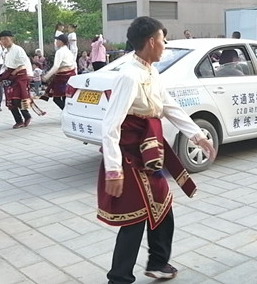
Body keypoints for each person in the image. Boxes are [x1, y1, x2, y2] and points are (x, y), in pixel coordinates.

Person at [99, 16, 216, 283]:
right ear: (152, 41)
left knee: (162, 203)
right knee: (135, 217)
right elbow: (110, 125)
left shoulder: (150, 71)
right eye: (163, 39)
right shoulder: (129, 75)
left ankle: (158, 263)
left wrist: (197, 136)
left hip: (148, 151)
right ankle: (118, 278)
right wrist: (113, 170)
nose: (165, 44)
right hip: (130, 155)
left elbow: (168, 105)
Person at [0, 31, 38, 128]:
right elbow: (5, 66)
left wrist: (14, 73)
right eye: (2, 39)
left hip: (19, 76)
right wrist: (1, 77)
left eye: (6, 39)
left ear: (11, 39)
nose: (4, 41)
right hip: (10, 75)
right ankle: (18, 120)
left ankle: (26, 116)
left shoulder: (18, 49)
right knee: (10, 101)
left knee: (18, 98)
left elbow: (23, 64)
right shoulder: (5, 52)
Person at [42, 34, 76, 110]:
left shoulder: (60, 52)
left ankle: (66, 112)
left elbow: (56, 66)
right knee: (65, 97)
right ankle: (68, 111)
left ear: (61, 42)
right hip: (70, 75)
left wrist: (46, 77)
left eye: (57, 40)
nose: (56, 42)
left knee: (56, 98)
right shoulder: (69, 51)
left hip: (62, 76)